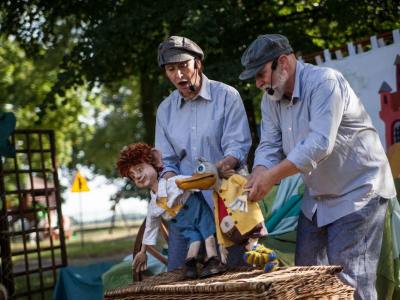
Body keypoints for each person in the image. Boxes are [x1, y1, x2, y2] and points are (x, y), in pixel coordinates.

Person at [239, 34, 396, 299]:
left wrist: (272, 176)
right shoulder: (270, 100)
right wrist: (259, 172)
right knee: (305, 278)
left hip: (359, 191)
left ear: (284, 62)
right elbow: (268, 145)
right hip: (317, 200)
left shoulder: (325, 82)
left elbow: (320, 143)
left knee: (350, 283)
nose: (258, 84)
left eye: (261, 74)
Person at [156, 36, 252, 271]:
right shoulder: (165, 110)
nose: (178, 75)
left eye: (183, 66)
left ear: (197, 64)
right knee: (178, 275)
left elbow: (237, 147)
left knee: (236, 278)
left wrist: (215, 171)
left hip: (229, 199)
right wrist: (171, 184)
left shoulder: (227, 96)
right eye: (171, 69)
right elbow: (166, 162)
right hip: (188, 206)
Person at [116, 143, 222, 279]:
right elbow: (150, 227)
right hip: (183, 222)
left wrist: (215, 182)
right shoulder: (153, 205)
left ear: (155, 162)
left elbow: (197, 182)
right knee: (193, 239)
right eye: (132, 175)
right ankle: (190, 264)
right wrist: (142, 252)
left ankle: (213, 259)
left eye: (140, 169)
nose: (137, 176)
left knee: (207, 233)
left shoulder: (174, 183)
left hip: (197, 211)